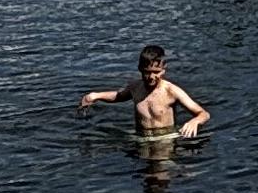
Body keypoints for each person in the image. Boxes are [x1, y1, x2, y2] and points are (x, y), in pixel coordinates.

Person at [82, 43, 210, 137]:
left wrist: (195, 121)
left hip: (165, 139)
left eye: (156, 72)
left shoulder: (172, 91)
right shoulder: (135, 88)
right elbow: (118, 96)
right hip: (141, 138)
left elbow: (203, 114)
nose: (151, 77)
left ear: (164, 69)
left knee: (159, 172)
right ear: (140, 69)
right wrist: (95, 96)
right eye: (147, 72)